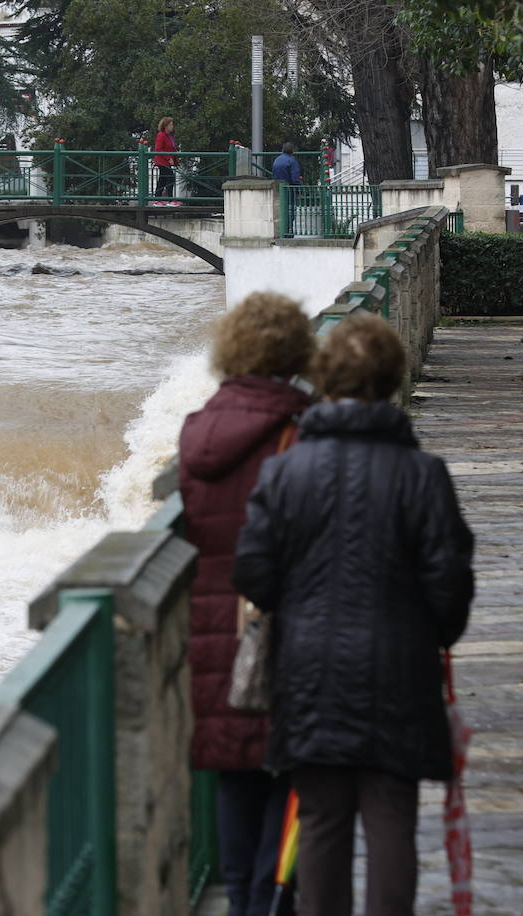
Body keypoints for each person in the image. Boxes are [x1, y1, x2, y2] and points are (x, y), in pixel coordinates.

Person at [233, 315, 474, 916]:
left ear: (325, 380)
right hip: (399, 667)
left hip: (308, 668)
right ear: (391, 379)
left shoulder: (284, 472)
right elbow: (450, 582)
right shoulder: (423, 475)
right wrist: (429, 634)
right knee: (392, 820)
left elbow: (253, 573)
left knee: (319, 820)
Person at [179, 292, 317, 916]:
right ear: (295, 354)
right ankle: (270, 901)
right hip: (289, 627)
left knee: (231, 773)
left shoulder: (200, 431)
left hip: (213, 629)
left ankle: (241, 902)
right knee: (289, 778)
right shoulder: (304, 429)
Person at [271, 141, 302, 236]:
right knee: (290, 211)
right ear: (292, 151)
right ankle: (288, 232)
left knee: (279, 211)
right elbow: (295, 178)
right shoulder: (292, 161)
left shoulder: (277, 160)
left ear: (282, 150)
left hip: (277, 190)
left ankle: (279, 231)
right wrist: (298, 191)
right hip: (289, 190)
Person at [154, 116, 180, 206]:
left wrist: (176, 161)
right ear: (166, 126)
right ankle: (170, 199)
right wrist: (168, 158)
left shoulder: (170, 136)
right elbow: (159, 149)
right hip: (162, 161)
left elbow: (172, 149)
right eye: (171, 125)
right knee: (170, 178)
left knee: (163, 179)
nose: (172, 126)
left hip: (167, 162)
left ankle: (157, 199)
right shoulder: (161, 135)